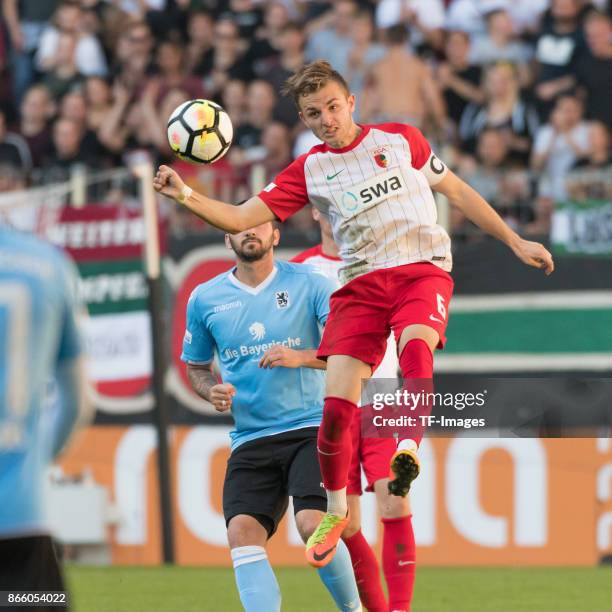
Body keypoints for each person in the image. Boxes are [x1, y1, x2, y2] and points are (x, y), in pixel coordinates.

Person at [154, 60, 554, 580]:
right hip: (361, 286)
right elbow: (238, 217)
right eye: (312, 114)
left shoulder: (403, 140)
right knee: (337, 408)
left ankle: (409, 445)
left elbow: (456, 191)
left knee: (416, 348)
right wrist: (185, 194)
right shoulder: (309, 171)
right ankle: (337, 508)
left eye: (333, 107)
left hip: (419, 271)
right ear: (303, 119)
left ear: (353, 103)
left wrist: (515, 240)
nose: (326, 120)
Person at [180, 220, 361, 612]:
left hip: (311, 427)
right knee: (241, 532)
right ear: (226, 237)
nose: (249, 232)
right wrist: (208, 388)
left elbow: (346, 351)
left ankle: (354, 610)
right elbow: (195, 366)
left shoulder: (310, 283)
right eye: (238, 226)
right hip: (250, 437)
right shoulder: (204, 298)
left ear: (275, 236)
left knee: (314, 524)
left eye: (258, 225)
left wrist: (300, 357)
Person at [292, 208, 414, 611]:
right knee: (347, 523)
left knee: (395, 498)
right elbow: (291, 343)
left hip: (381, 395)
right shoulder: (300, 272)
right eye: (327, 207)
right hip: (331, 403)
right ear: (315, 210)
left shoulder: (386, 259)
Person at [0, 224, 88, 606]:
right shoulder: (47, 263)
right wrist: (32, 464)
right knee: (30, 601)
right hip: (22, 516)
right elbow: (79, 401)